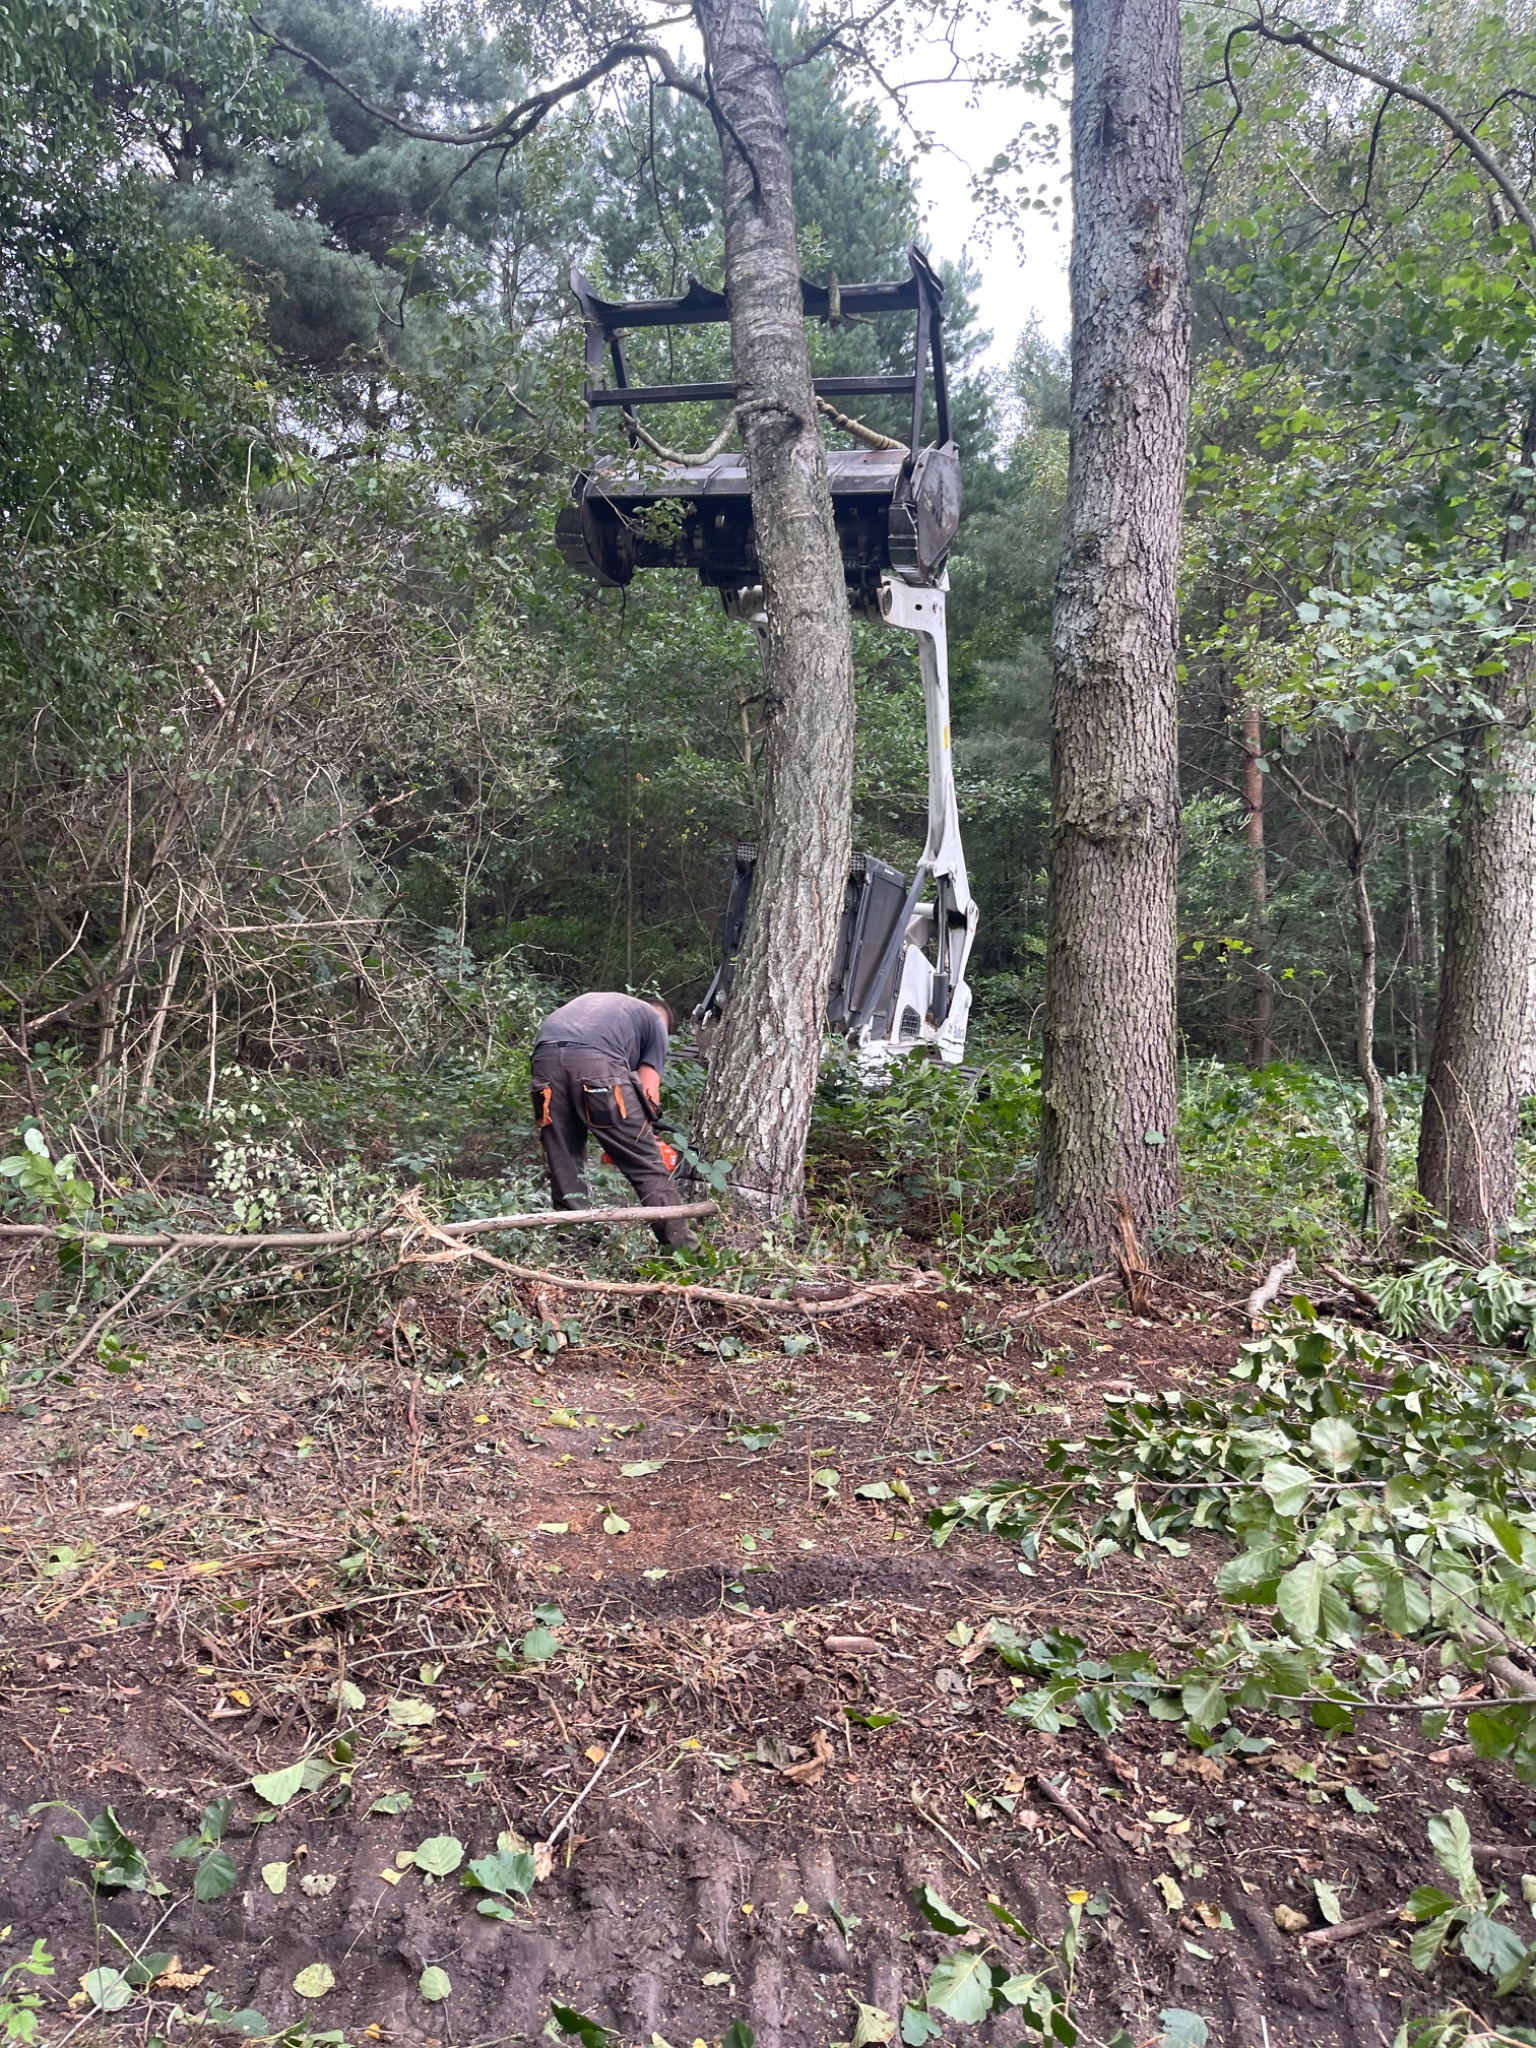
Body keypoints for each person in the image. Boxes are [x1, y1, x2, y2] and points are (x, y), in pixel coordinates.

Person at [529, 992, 697, 1249]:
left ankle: (576, 1245)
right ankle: (683, 1251)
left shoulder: (606, 1008)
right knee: (645, 1164)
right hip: (597, 1064)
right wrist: (645, 1135)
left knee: (563, 1157)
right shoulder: (655, 1022)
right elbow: (648, 1090)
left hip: (544, 1062)